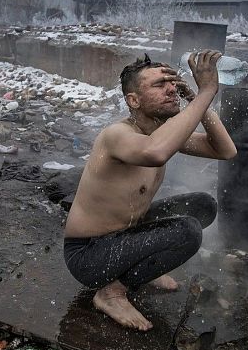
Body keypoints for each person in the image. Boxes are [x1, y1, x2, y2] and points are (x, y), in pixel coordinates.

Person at [63, 51, 238, 331]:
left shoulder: (161, 132)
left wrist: (196, 98)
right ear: (134, 100)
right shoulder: (117, 135)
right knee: (188, 231)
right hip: (89, 255)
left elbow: (225, 150)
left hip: (125, 235)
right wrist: (208, 90)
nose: (172, 89)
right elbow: (155, 152)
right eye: (159, 85)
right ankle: (111, 292)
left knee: (203, 205)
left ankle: (142, 267)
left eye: (172, 83)